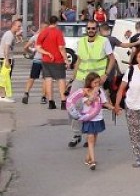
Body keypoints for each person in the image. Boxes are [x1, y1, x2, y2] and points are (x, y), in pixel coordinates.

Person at [68, 21, 116, 149]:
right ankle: (76, 134)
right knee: (72, 105)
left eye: (93, 28)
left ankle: (90, 135)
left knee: (93, 107)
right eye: (89, 28)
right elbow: (79, 60)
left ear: (97, 29)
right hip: (81, 78)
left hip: (95, 80)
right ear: (86, 29)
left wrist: (106, 74)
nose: (91, 30)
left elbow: (112, 58)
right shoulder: (81, 41)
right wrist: (73, 77)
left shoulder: (104, 41)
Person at [77, 72, 114, 170]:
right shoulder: (85, 91)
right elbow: (88, 102)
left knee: (94, 139)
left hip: (98, 118)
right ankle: (93, 161)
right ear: (90, 83)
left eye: (98, 82)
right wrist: (94, 93)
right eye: (95, 83)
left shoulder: (100, 91)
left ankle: (88, 158)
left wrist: (114, 108)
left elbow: (104, 103)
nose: (97, 85)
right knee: (90, 138)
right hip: (89, 118)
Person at [36, 15, 67, 110]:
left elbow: (38, 47)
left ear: (49, 22)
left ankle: (51, 102)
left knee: (48, 80)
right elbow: (61, 48)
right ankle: (63, 102)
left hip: (46, 60)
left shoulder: (43, 33)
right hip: (58, 60)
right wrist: (66, 59)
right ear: (57, 23)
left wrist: (47, 53)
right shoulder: (58, 33)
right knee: (61, 80)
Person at [21, 23, 46, 104]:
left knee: (32, 77)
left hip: (37, 60)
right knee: (45, 79)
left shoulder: (35, 36)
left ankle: (26, 93)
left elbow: (25, 47)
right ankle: (43, 97)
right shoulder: (49, 37)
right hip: (47, 60)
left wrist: (30, 53)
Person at [0, 18, 22, 103]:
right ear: (13, 26)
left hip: (4, 58)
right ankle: (3, 96)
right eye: (18, 26)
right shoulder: (9, 35)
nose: (20, 28)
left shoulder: (10, 34)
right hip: (5, 58)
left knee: (4, 77)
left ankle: (2, 95)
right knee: (5, 77)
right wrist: (6, 59)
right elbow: (6, 47)